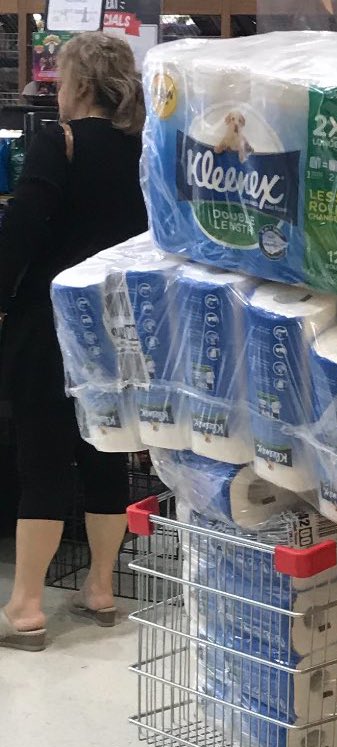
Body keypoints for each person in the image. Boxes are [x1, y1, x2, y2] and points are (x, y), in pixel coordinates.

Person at [0, 33, 148, 652]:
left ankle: (27, 605)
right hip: (115, 324)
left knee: (41, 457)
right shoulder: (143, 149)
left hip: (49, 320)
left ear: (79, 85)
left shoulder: (54, 142)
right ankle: (101, 588)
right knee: (104, 452)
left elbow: (23, 229)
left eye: (60, 81)